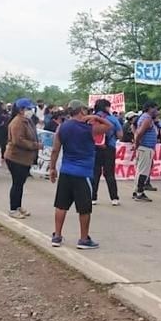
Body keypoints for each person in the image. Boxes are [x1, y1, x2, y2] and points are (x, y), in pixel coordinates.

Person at [48, 100, 113, 249]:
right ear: (82, 111)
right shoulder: (89, 128)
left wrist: (52, 168)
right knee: (84, 208)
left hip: (66, 171)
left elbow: (55, 150)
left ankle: (57, 236)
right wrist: (97, 118)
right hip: (83, 172)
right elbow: (109, 127)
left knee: (61, 205)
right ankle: (84, 239)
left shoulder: (62, 128)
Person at [5, 98, 42, 218]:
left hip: (24, 158)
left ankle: (18, 206)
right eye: (28, 109)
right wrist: (35, 145)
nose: (30, 111)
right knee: (17, 184)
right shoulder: (17, 122)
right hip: (16, 157)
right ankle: (13, 209)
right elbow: (18, 140)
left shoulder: (27, 121)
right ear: (21, 110)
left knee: (20, 184)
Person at [91, 98, 123, 206]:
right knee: (109, 173)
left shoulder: (92, 118)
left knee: (95, 173)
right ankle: (114, 198)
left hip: (94, 148)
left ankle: (93, 197)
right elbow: (120, 135)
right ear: (106, 107)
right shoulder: (112, 119)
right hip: (109, 148)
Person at [131, 101, 159, 202]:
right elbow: (139, 132)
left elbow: (137, 132)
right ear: (150, 108)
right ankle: (139, 192)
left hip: (144, 147)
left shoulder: (144, 117)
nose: (157, 111)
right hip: (146, 148)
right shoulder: (147, 119)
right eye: (155, 108)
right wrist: (137, 143)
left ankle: (136, 191)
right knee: (143, 171)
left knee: (140, 170)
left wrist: (136, 143)